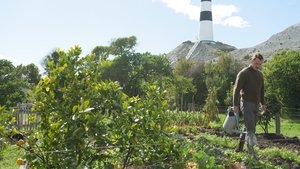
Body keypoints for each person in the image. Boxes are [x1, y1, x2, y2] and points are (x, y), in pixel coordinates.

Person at [233, 53, 267, 158]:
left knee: (248, 126)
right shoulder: (243, 73)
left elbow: (262, 91)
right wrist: (235, 105)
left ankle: (239, 147)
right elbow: (236, 89)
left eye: (260, 64)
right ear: (251, 61)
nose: (258, 66)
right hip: (246, 103)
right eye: (256, 63)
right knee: (251, 129)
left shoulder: (260, 75)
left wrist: (263, 104)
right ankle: (251, 153)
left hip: (256, 105)